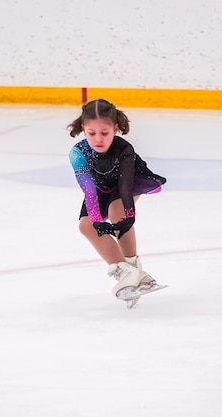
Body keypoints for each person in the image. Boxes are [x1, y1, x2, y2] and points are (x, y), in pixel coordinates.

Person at [68, 98, 167, 300]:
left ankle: (133, 265)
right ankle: (125, 270)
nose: (98, 139)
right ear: (83, 129)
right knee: (86, 226)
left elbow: (124, 185)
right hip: (99, 187)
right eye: (91, 133)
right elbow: (88, 190)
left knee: (117, 211)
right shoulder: (78, 153)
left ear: (115, 128)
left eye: (105, 133)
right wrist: (96, 222)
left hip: (128, 182)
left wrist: (129, 216)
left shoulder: (124, 149)